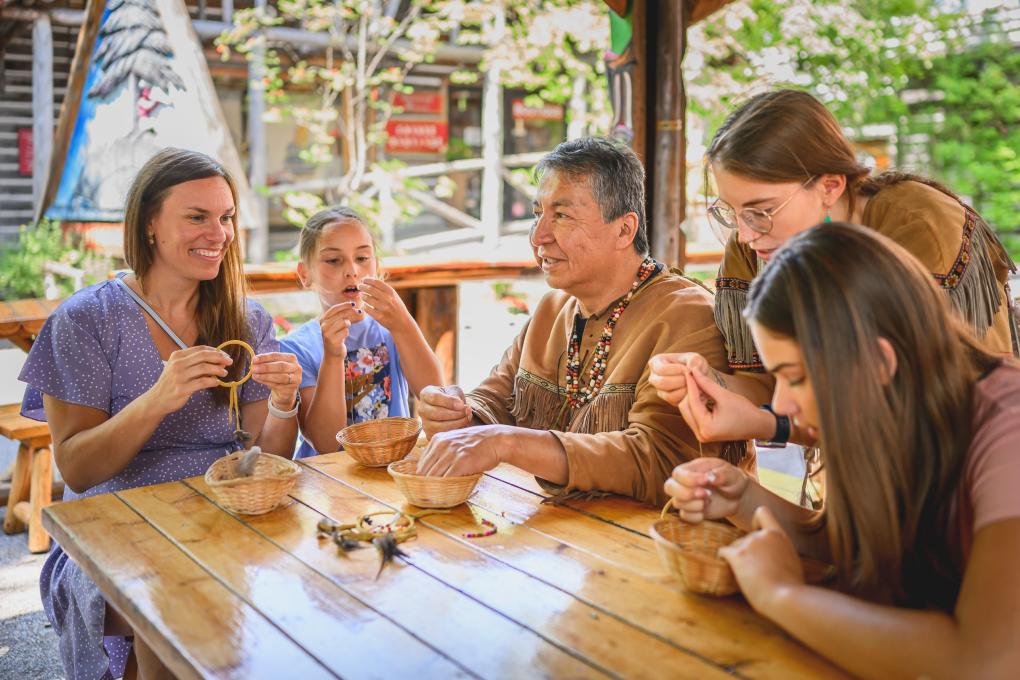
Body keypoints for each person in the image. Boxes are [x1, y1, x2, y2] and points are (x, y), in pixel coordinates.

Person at [664, 222, 1020, 677]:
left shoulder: (1007, 425)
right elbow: (844, 542)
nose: (780, 405)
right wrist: (743, 499)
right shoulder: (889, 405)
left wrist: (782, 596)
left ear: (878, 362)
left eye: (795, 377)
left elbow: (988, 661)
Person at [19, 148, 303, 679]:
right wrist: (157, 398)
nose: (218, 233)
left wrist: (286, 403)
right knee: (170, 601)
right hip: (117, 528)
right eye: (196, 217)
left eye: (226, 218)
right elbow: (77, 469)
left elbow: (262, 460)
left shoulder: (246, 317)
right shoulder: (85, 320)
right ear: (149, 224)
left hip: (226, 517)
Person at [649, 88, 1018, 447]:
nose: (745, 234)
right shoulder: (755, 248)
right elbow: (773, 389)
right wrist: (707, 380)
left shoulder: (918, 227)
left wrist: (770, 425)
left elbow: (929, 406)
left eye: (761, 210)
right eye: (732, 212)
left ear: (830, 186)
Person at [415, 136, 747, 506]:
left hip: (668, 545)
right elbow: (496, 400)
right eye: (538, 213)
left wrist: (505, 442)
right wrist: (457, 416)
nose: (538, 236)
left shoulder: (687, 315)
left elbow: (662, 460)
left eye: (561, 215)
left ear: (625, 229)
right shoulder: (553, 308)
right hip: (568, 543)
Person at [280, 207, 442, 458]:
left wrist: (403, 324)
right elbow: (324, 443)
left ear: (377, 264)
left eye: (363, 258)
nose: (352, 270)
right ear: (305, 274)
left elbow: (434, 391)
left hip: (390, 469)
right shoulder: (296, 348)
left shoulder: (392, 329)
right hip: (326, 481)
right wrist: (333, 355)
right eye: (334, 260)